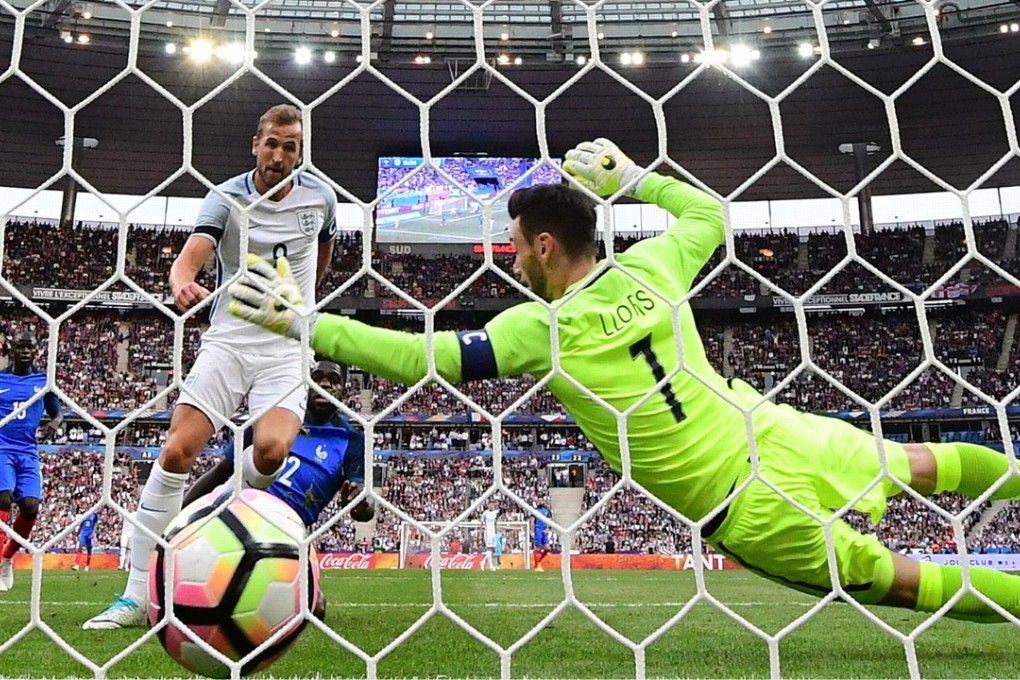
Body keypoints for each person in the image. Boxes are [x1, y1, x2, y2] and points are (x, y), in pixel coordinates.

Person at [229, 136, 1020, 623]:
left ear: (543, 245)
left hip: (741, 506)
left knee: (899, 580)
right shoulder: (655, 264)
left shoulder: (542, 330)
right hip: (771, 428)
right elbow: (710, 215)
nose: (509, 258)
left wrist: (302, 322)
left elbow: (414, 359)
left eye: (512, 244)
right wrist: (635, 178)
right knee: (922, 463)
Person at [83, 103, 338, 629]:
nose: (279, 154)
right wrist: (181, 281)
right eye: (272, 143)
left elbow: (323, 255)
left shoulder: (322, 198)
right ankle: (136, 595)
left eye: (291, 146)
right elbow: (191, 255)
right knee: (177, 450)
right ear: (256, 144)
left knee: (271, 450)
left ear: (300, 152)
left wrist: (301, 306)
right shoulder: (227, 196)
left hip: (286, 348)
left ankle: (217, 509)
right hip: (228, 340)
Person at [182, 360, 374, 528]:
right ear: (304, 382)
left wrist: (361, 506)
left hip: (285, 530)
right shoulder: (272, 418)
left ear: (344, 391)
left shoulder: (352, 440)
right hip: (237, 513)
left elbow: (363, 502)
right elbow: (221, 472)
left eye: (334, 379)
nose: (324, 384)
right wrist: (179, 518)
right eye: (316, 377)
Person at [0, 332, 63, 592]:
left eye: (30, 347)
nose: (25, 351)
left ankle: (6, 560)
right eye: (20, 347)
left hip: (28, 451)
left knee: (30, 507)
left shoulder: (44, 382)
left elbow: (58, 413)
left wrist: (54, 423)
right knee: (3, 497)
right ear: (11, 351)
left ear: (36, 352)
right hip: (2, 447)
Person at [532, 502, 552, 571]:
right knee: (538, 547)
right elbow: (532, 520)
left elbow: (549, 520)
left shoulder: (547, 510)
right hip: (538, 529)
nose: (540, 501)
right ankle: (538, 566)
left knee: (547, 548)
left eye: (541, 500)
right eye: (539, 500)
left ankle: (538, 561)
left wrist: (547, 528)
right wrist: (532, 531)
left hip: (544, 530)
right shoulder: (535, 510)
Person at [480, 500, 499, 572]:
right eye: (489, 505)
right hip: (488, 532)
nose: (491, 506)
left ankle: (483, 562)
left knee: (493, 549)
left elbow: (495, 523)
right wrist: (480, 534)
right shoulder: (485, 513)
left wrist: (497, 532)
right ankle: (491, 566)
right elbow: (481, 523)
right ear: (487, 505)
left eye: (492, 505)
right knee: (489, 548)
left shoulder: (495, 513)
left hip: (493, 533)